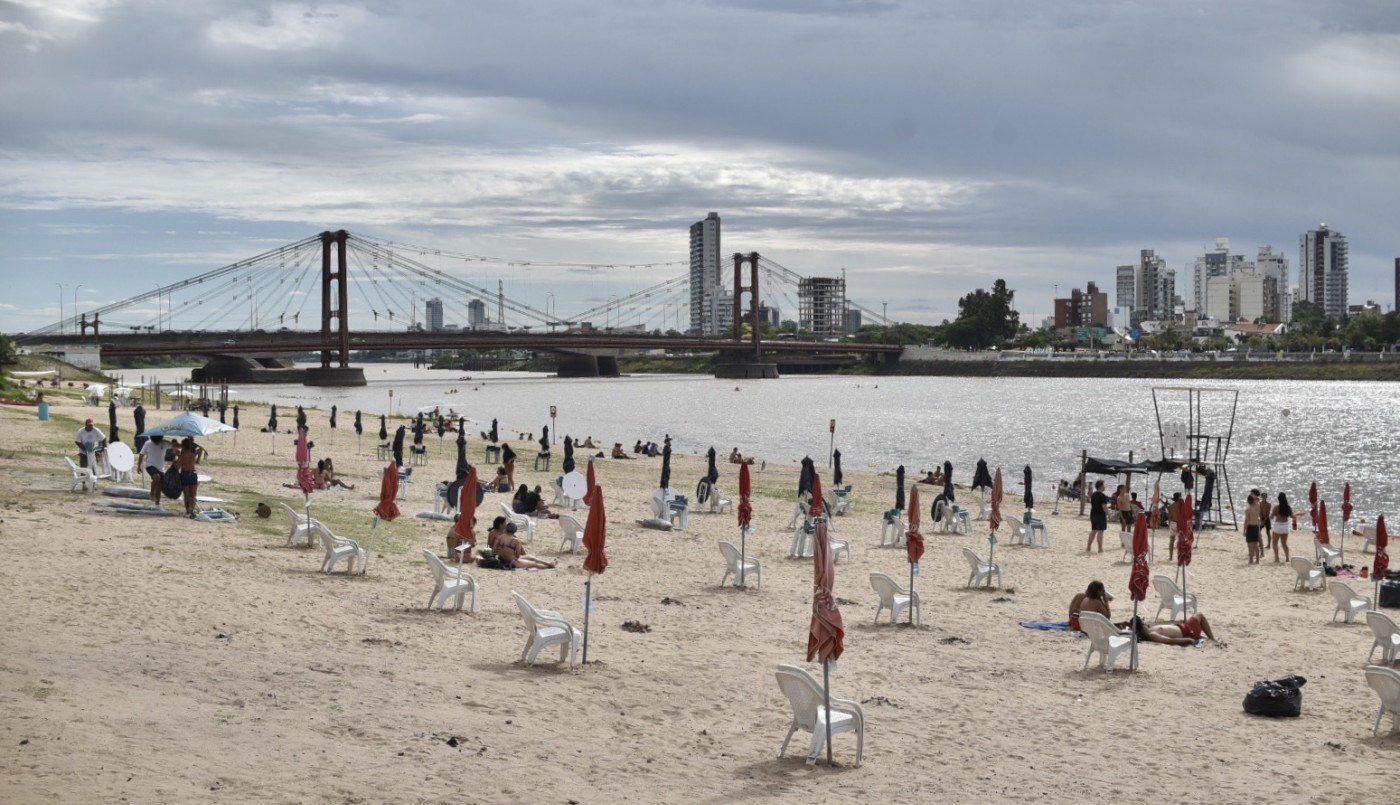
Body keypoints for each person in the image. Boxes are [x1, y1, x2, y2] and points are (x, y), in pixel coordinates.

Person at [486, 517, 555, 570]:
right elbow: (489, 546)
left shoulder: (502, 536)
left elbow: (494, 549)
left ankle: (549, 563)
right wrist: (489, 555)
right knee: (534, 563)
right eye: (505, 523)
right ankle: (549, 566)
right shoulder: (494, 533)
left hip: (503, 556)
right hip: (510, 559)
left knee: (531, 557)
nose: (506, 524)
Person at [1132, 613, 1219, 646]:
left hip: (1185, 628)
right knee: (1199, 615)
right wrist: (1187, 640)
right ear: (1141, 626)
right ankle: (1213, 639)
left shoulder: (1151, 629)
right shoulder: (1152, 634)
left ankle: (1210, 639)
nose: (1145, 623)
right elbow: (1169, 641)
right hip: (1187, 632)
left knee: (1203, 636)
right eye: (1143, 622)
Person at [177, 436, 205, 517]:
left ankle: (187, 511)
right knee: (193, 495)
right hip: (193, 473)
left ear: (183, 446)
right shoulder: (193, 454)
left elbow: (178, 467)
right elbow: (200, 450)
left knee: (186, 495)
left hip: (184, 474)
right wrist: (199, 457)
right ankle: (191, 510)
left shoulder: (182, 456)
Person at [139, 434, 168, 505]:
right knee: (156, 477)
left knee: (159, 487)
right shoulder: (148, 443)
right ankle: (152, 493)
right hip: (150, 465)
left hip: (161, 468)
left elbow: (175, 446)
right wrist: (139, 465)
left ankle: (157, 504)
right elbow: (141, 454)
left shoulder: (164, 443)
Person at [1086, 480, 1109, 553]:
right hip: (1100, 515)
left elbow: (1091, 502)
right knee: (1100, 531)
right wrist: (1109, 515)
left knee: (1093, 530)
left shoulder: (1093, 494)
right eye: (1104, 485)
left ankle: (1088, 547)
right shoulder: (1102, 495)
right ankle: (1100, 548)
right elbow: (1104, 506)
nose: (1105, 486)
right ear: (1101, 486)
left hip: (1093, 514)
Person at [1272, 492, 1294, 562]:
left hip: (1278, 526)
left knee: (1275, 543)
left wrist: (1275, 514)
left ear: (1279, 499)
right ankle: (1287, 558)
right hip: (1285, 526)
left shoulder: (1276, 507)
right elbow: (1292, 516)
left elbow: (1271, 517)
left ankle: (1277, 558)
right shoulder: (1288, 507)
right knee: (1284, 543)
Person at [1243, 491, 1263, 564]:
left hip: (1250, 527)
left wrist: (1244, 530)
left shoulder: (1248, 510)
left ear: (1248, 502)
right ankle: (1257, 560)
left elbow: (1246, 521)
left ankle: (1251, 560)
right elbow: (1257, 500)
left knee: (1250, 545)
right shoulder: (1257, 507)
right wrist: (1254, 497)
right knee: (1256, 545)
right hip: (1256, 527)